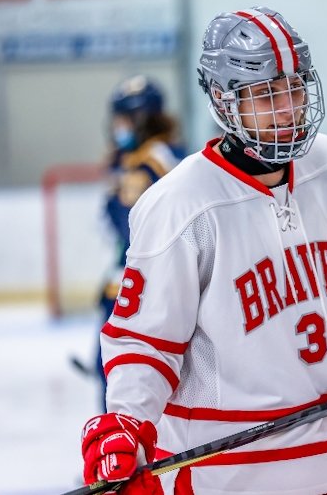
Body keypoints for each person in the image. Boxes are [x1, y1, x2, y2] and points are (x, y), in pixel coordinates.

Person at [79, 7, 327, 494]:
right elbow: (146, 343)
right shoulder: (180, 206)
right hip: (230, 473)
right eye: (265, 94)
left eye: (294, 89)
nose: (286, 108)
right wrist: (128, 423)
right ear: (223, 100)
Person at [95, 75, 183, 411]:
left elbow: (149, 228)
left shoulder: (158, 159)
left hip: (146, 286)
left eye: (123, 119)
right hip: (131, 282)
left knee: (126, 374)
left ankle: (125, 454)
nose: (117, 127)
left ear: (141, 119)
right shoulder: (134, 159)